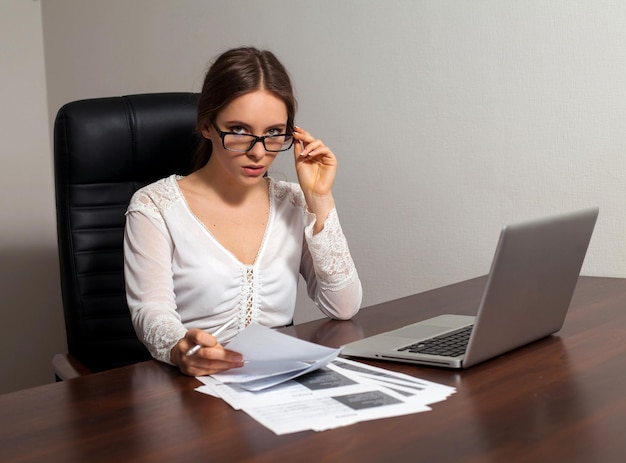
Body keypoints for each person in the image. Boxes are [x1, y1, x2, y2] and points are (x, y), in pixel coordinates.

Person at [123, 47, 362, 377]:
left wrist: (319, 200)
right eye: (238, 131)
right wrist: (183, 349)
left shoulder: (294, 203)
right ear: (207, 126)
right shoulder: (154, 207)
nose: (259, 153)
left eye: (274, 133)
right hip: (193, 390)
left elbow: (343, 307)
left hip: (280, 383)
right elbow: (151, 311)